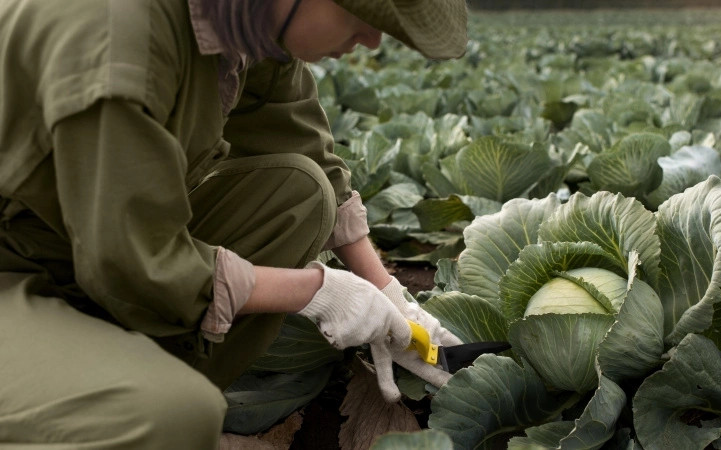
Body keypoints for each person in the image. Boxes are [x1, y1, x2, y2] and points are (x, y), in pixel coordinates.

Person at [0, 0, 468, 447]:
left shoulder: (248, 21)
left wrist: (390, 297)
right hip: (20, 269)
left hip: (74, 244)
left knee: (298, 193)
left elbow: (298, 138)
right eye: (359, 12)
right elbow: (135, 260)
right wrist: (318, 291)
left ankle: (122, 381)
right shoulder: (118, 40)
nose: (371, 40)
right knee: (172, 414)